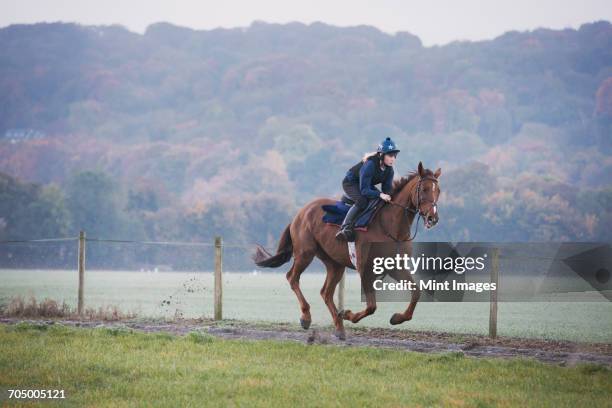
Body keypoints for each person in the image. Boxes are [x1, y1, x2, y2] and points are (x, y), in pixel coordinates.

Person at [336, 137, 399, 241]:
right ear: (381, 155)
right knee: (362, 200)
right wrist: (380, 194)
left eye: (395, 156)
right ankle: (345, 228)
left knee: (380, 200)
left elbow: (387, 189)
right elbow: (364, 190)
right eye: (390, 155)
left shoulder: (389, 170)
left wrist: (392, 198)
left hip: (365, 184)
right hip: (351, 183)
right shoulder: (370, 165)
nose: (393, 159)